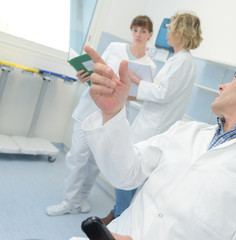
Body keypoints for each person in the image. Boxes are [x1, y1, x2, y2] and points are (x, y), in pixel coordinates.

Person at [70, 44, 236, 239]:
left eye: (234, 79)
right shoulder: (186, 131)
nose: (222, 86)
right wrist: (113, 113)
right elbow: (125, 175)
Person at [46, 15, 156, 216]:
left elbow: (140, 96)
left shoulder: (149, 66)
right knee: (77, 156)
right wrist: (84, 76)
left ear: (150, 34)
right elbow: (94, 70)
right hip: (89, 107)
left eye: (143, 31)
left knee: (95, 164)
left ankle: (80, 200)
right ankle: (69, 202)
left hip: (112, 116)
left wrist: (120, 88)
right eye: (135, 30)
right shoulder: (115, 47)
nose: (138, 35)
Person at [102, 11, 203, 224]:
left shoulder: (183, 62)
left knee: (125, 169)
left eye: (170, 27)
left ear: (181, 32)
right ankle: (117, 213)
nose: (167, 31)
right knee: (128, 173)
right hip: (150, 122)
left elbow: (161, 93)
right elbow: (160, 90)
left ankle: (120, 216)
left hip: (154, 127)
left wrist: (136, 79)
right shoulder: (178, 60)